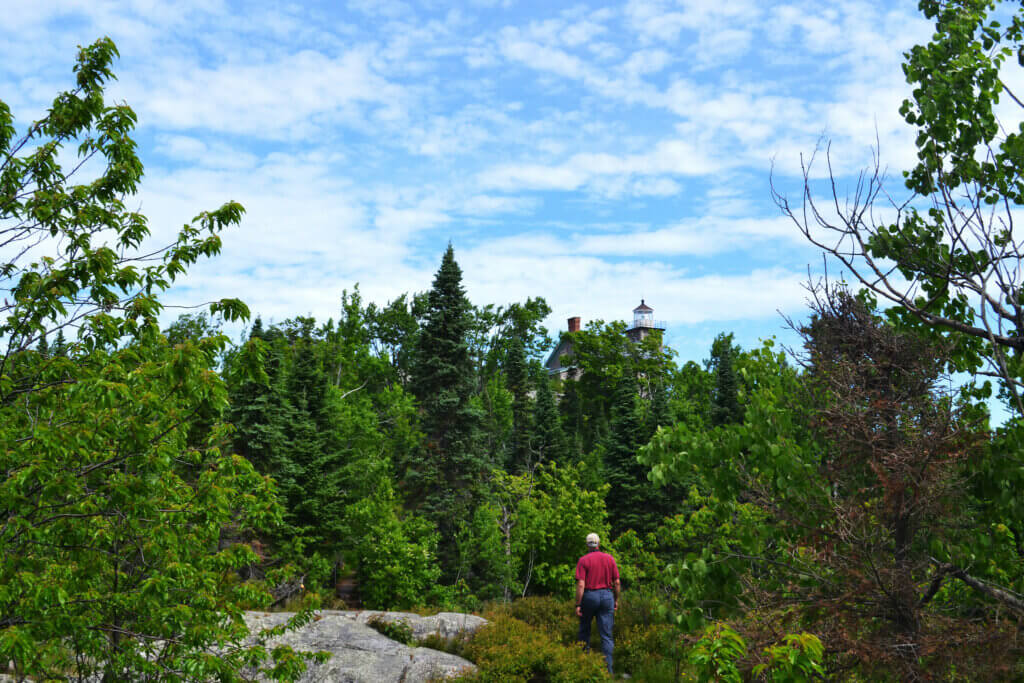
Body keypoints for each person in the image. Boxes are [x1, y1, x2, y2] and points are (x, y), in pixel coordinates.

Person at [574, 532, 620, 674]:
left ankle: (583, 667)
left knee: (584, 631)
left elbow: (581, 585)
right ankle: (608, 671)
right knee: (606, 635)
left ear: (587, 545)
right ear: (599, 544)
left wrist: (578, 604)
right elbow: (617, 582)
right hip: (607, 596)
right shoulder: (609, 558)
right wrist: (616, 600)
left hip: (590, 596)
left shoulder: (583, 560)